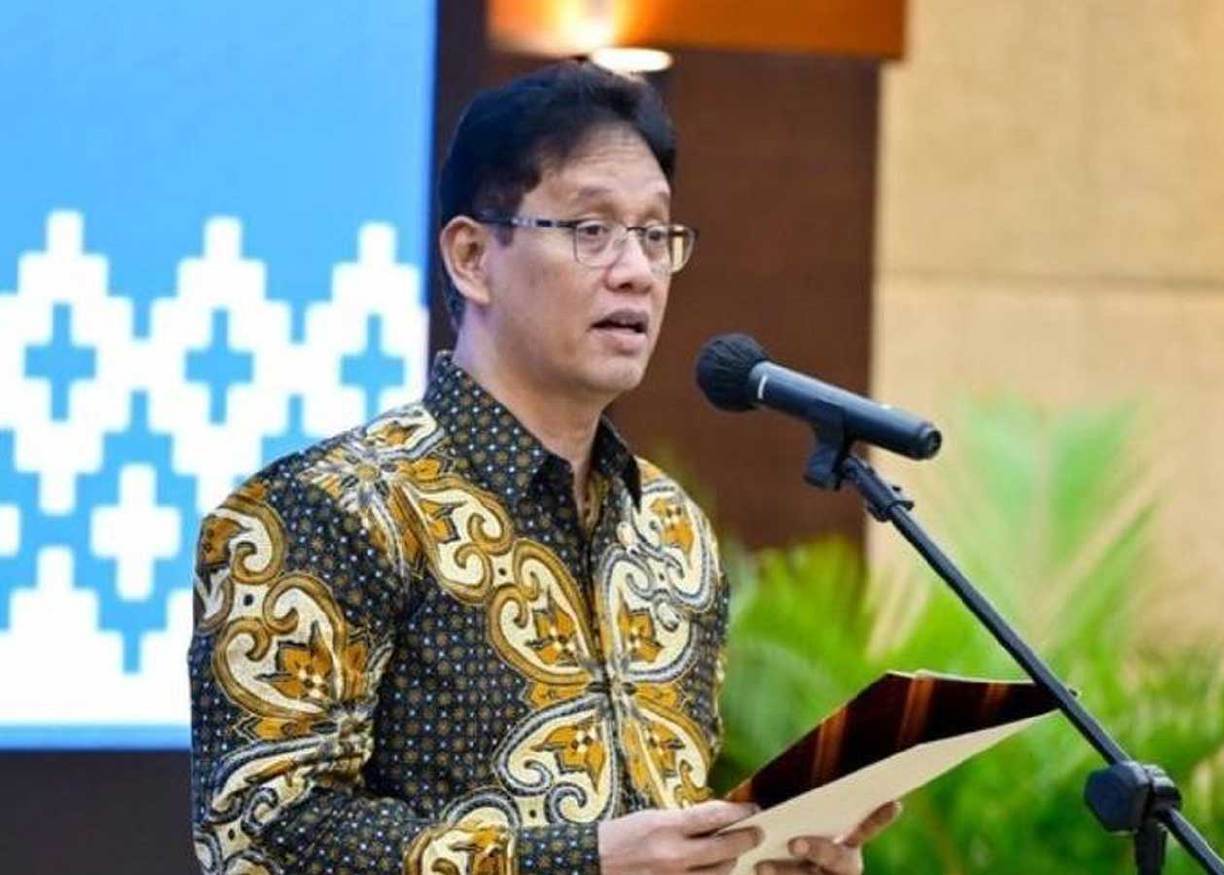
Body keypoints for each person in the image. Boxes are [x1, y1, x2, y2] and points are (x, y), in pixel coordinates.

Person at [188, 60, 898, 875]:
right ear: (471, 256)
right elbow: (261, 839)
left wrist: (759, 862)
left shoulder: (672, 532)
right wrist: (581, 861)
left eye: (656, 234)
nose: (636, 269)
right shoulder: (324, 510)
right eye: (591, 230)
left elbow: (659, 841)